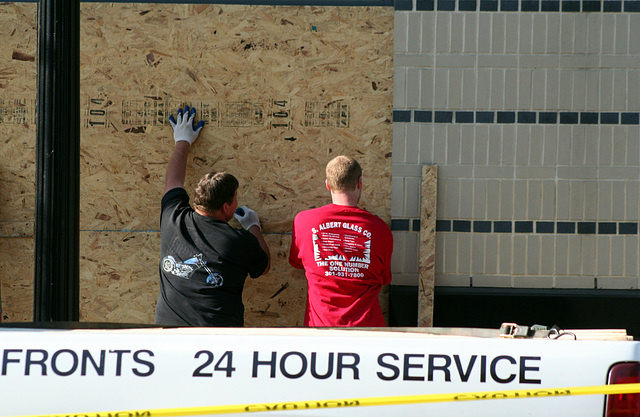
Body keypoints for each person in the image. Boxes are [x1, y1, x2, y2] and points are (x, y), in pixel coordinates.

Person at [155, 105, 271, 327]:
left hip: (168, 335)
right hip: (218, 340)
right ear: (227, 207)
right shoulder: (239, 241)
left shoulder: (173, 219)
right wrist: (253, 226)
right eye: (235, 198)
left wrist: (182, 141)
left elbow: (173, 182)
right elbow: (263, 267)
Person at [289, 155, 393, 327]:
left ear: (328, 184)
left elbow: (297, 262)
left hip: (321, 333)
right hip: (367, 334)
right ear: (359, 183)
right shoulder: (380, 229)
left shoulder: (303, 222)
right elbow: (384, 277)